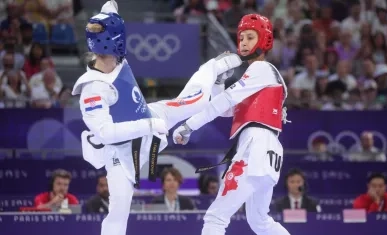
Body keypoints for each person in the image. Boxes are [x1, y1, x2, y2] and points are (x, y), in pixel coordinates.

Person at [71, 1, 242, 235]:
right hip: (121, 152)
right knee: (118, 211)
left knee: (196, 101)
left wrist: (109, 6)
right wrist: (148, 125)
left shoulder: (117, 59)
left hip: (150, 113)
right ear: (114, 41)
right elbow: (104, 133)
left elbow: (109, 13)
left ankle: (213, 68)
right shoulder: (93, 89)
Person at [173, 14, 290, 235]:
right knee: (260, 221)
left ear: (263, 40)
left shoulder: (261, 69)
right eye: (241, 38)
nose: (244, 42)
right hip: (268, 151)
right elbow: (228, 110)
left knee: (215, 218)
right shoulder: (260, 76)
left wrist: (189, 125)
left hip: (254, 148)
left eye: (250, 37)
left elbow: (224, 102)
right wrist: (219, 81)